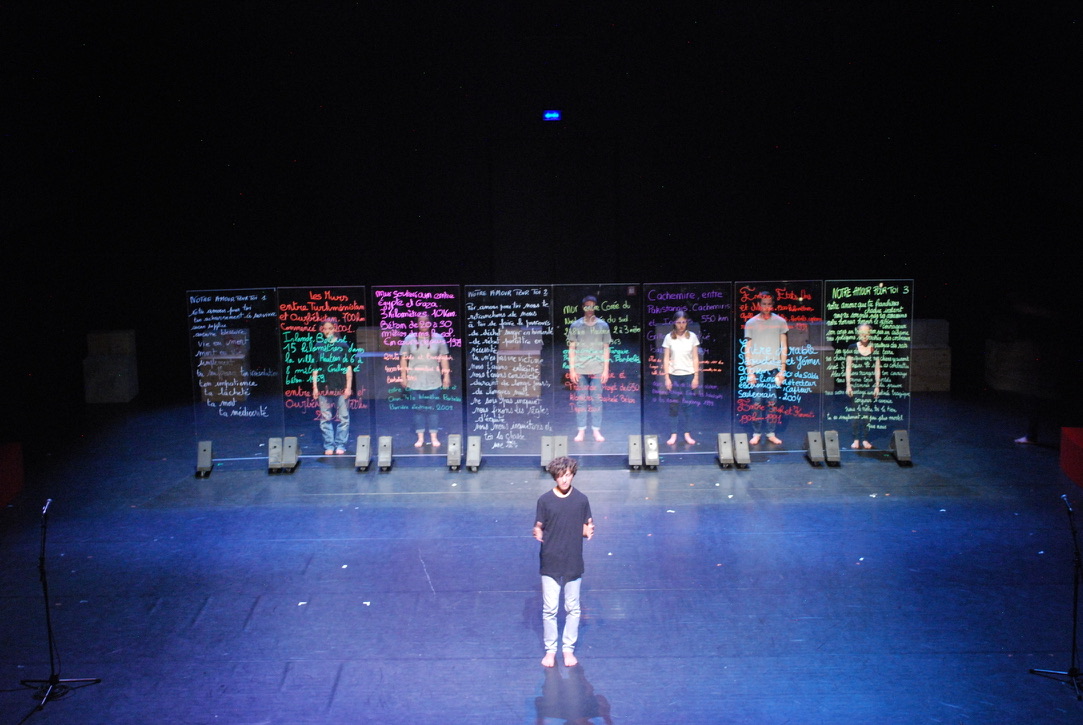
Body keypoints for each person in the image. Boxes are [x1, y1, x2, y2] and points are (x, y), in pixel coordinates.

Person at [533, 456, 594, 668]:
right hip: (550, 560)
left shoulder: (581, 500)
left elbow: (587, 526)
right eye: (560, 476)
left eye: (568, 475)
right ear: (555, 477)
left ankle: (568, 649)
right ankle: (550, 650)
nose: (565, 480)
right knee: (550, 609)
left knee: (573, 608)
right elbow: (539, 524)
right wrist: (537, 530)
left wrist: (588, 531)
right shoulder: (545, 501)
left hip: (573, 560)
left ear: (573, 475)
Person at [741, 291, 788, 445]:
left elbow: (784, 346)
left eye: (769, 304)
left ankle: (770, 432)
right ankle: (756, 432)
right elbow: (747, 348)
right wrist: (749, 371)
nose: (766, 307)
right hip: (757, 369)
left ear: (772, 305)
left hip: (773, 369)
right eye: (764, 304)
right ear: (758, 305)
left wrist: (782, 370)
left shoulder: (780, 322)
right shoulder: (751, 323)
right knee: (756, 401)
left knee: (772, 401)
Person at [399, 312, 451, 448]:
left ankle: (434, 436)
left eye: (426, 321)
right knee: (418, 409)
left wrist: (446, 375)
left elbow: (444, 358)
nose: (423, 324)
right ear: (416, 323)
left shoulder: (438, 338)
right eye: (420, 321)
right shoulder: (409, 339)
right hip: (415, 380)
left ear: (430, 323)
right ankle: (420, 437)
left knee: (433, 409)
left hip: (433, 380)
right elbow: (403, 358)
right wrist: (403, 376)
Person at [567, 296, 611, 442]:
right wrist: (572, 370)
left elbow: (606, 348)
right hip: (580, 368)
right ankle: (581, 430)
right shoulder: (575, 325)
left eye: (592, 306)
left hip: (597, 368)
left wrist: (606, 369)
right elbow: (572, 348)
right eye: (587, 306)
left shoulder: (603, 325)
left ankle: (596, 430)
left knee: (597, 400)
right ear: (583, 307)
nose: (590, 309)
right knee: (581, 400)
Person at [311, 318, 353, 455]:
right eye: (325, 329)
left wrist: (348, 387)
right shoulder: (318, 346)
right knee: (325, 418)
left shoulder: (342, 345)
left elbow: (348, 367)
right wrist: (315, 387)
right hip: (324, 387)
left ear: (335, 329)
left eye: (330, 328)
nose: (328, 331)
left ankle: (340, 444)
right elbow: (315, 368)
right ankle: (329, 444)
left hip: (340, 386)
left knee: (343, 417)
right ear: (322, 330)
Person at [661, 310, 700, 445]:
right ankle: (673, 434)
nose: (681, 325)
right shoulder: (669, 337)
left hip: (689, 374)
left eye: (684, 322)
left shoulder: (692, 337)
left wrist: (696, 376)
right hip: (674, 375)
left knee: (688, 405)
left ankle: (687, 433)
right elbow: (666, 359)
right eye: (679, 322)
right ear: (674, 323)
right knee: (673, 405)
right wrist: (667, 377)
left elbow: (695, 358)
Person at [845, 323, 882, 449]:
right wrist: (848, 385)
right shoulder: (852, 347)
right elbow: (848, 367)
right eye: (862, 333)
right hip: (855, 385)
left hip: (869, 386)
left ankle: (865, 439)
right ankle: (856, 439)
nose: (864, 335)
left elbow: (877, 368)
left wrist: (877, 386)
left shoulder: (875, 348)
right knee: (856, 413)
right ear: (858, 333)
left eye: (867, 333)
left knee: (866, 413)